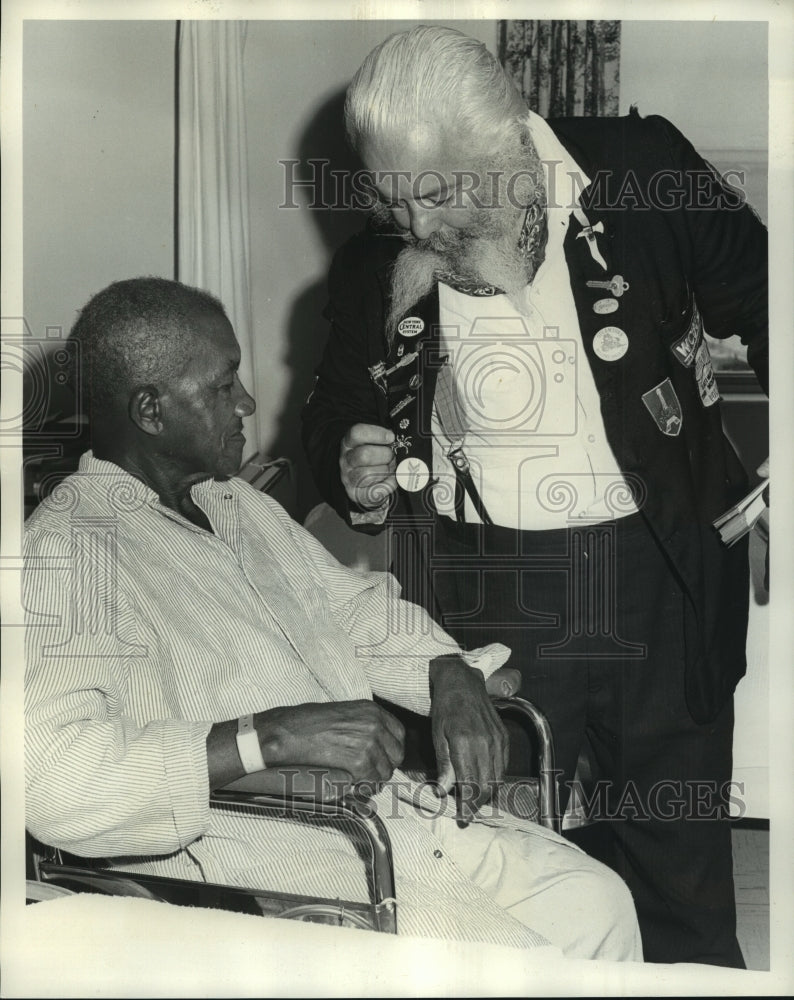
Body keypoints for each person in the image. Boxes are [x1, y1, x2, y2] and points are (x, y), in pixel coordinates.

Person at [300, 26, 768, 967]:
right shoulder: (379, 261)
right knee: (497, 875)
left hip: (659, 569)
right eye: (393, 199)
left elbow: (770, 300)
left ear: (508, 139)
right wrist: (349, 460)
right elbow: (334, 407)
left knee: (678, 869)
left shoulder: (642, 172)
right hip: (486, 594)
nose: (417, 228)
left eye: (437, 195)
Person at [24, 276, 643, 962]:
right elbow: (58, 783)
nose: (247, 403)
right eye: (224, 385)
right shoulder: (68, 552)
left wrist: (449, 673)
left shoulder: (237, 505)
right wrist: (268, 738)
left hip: (380, 823)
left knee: (596, 901)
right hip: (260, 867)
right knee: (522, 962)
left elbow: (355, 610)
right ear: (150, 409)